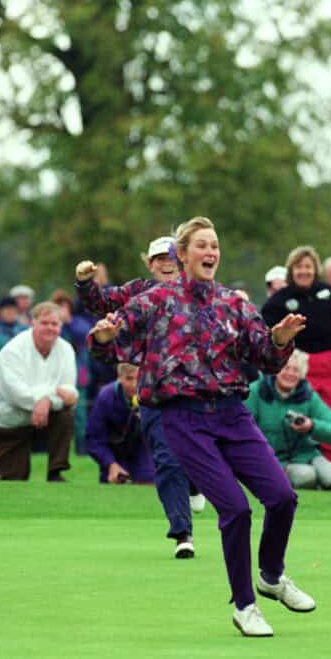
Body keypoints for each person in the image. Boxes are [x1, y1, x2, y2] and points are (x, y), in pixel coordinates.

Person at [89, 216, 314, 637]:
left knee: (282, 497)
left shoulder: (234, 303)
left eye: (215, 245)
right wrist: (103, 338)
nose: (210, 252)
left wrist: (281, 338)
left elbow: (265, 356)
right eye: (202, 246)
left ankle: (270, 575)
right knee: (236, 509)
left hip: (232, 414)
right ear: (182, 253)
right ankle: (245, 606)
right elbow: (112, 344)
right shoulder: (154, 300)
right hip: (183, 420)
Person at [76, 235, 205, 558]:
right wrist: (84, 282)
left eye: (173, 256)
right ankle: (182, 534)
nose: (167, 262)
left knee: (198, 452)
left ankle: (195, 483)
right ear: (149, 263)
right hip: (153, 389)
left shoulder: (200, 291)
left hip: (196, 388)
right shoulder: (137, 292)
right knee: (166, 458)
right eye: (160, 258)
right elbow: (100, 303)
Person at [262, 245, 331, 464]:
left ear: (316, 269)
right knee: (297, 415)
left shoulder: (329, 293)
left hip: (328, 366)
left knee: (330, 416)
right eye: (299, 267)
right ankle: (294, 465)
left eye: (308, 267)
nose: (304, 271)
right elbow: (266, 330)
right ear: (291, 271)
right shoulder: (279, 300)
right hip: (295, 366)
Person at [0, 302, 77, 481]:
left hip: (41, 418)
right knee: (15, 479)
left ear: (61, 326)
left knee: (65, 414)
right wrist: (50, 396)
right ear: (32, 323)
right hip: (4, 422)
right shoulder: (13, 351)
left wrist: (47, 400)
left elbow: (70, 391)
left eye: (54, 324)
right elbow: (17, 394)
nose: (50, 328)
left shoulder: (66, 349)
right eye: (44, 323)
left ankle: (56, 472)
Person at [245, 350, 331, 491]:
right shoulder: (256, 391)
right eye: (286, 368)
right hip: (274, 462)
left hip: (309, 457)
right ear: (275, 369)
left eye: (296, 370)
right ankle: (326, 484)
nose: (290, 374)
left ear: (302, 374)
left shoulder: (308, 394)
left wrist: (312, 426)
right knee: (305, 476)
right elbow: (243, 431)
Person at [85, 364, 155, 485]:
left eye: (139, 378)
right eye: (129, 378)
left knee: (148, 481)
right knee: (117, 481)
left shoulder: (154, 396)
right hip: (114, 454)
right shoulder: (105, 396)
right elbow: (94, 438)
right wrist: (110, 463)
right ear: (119, 378)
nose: (134, 384)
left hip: (144, 452)